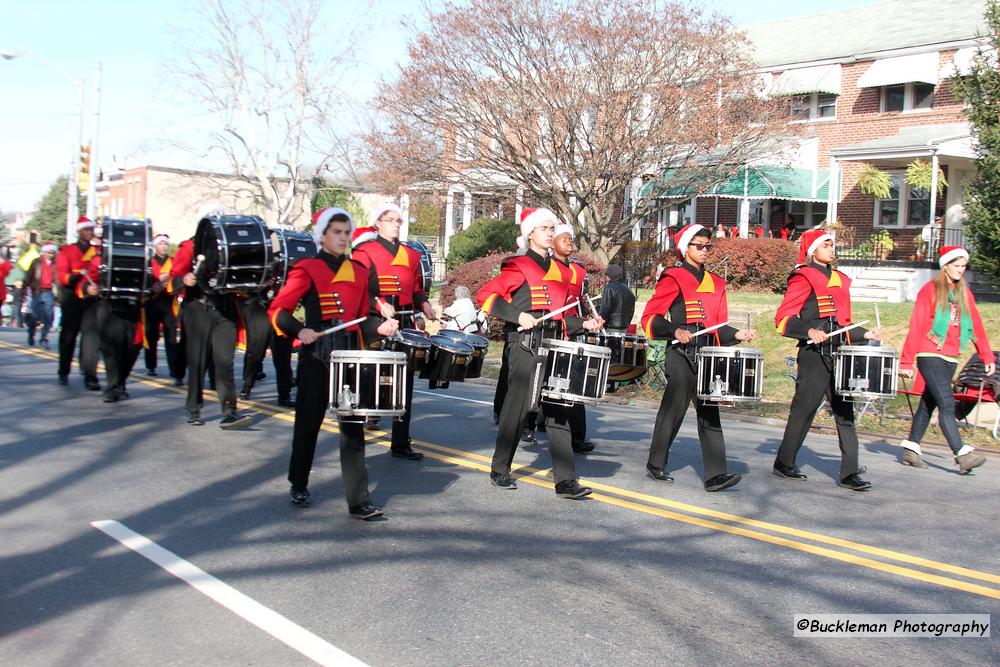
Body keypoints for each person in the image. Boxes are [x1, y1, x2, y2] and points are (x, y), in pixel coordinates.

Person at [268, 207, 398, 519]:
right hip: (316, 358)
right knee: (307, 426)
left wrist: (378, 326)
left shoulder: (359, 270)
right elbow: (279, 310)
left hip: (350, 358)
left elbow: (363, 317)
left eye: (346, 232)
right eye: (336, 232)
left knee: (353, 430)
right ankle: (298, 482)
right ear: (323, 235)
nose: (342, 237)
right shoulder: (308, 268)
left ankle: (358, 500)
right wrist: (300, 330)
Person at [477, 207, 601, 499]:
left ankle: (565, 481)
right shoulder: (517, 265)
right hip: (525, 345)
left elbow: (559, 316)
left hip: (554, 344)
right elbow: (486, 296)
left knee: (559, 411)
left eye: (552, 228)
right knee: (517, 410)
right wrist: (517, 316)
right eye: (545, 228)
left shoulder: (560, 270)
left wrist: (585, 322)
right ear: (530, 233)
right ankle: (500, 468)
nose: (551, 233)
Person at [639, 224, 751, 491]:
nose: (704, 250)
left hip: (707, 356)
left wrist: (737, 334)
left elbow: (717, 327)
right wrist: (675, 330)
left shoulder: (717, 283)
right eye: (698, 245)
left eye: (707, 246)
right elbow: (650, 319)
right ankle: (656, 463)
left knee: (710, 414)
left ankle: (715, 475)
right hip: (680, 354)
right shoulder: (674, 277)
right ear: (685, 248)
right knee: (673, 410)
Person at [773, 229, 883, 491]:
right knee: (804, 410)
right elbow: (783, 318)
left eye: (833, 245)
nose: (832, 249)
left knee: (845, 412)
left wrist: (865, 333)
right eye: (826, 245)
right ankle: (784, 462)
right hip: (813, 355)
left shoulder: (842, 280)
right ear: (813, 251)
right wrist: (809, 331)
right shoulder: (803, 277)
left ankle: (849, 472)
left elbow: (843, 325)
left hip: (840, 353)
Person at [898, 245, 994, 473]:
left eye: (964, 266)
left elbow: (976, 326)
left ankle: (911, 448)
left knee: (927, 404)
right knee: (947, 404)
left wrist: (986, 355)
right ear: (946, 266)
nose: (961, 270)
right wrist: (906, 361)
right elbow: (917, 325)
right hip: (930, 354)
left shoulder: (964, 293)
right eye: (956, 265)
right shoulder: (930, 290)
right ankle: (962, 454)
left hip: (951, 356)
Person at [352, 203, 436, 459]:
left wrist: (424, 303)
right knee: (370, 375)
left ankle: (400, 442)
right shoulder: (364, 252)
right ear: (377, 223)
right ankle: (363, 423)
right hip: (374, 321)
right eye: (390, 220)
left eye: (399, 220)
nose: (396, 224)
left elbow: (416, 289)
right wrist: (379, 304)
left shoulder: (411, 255)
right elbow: (359, 288)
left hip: (404, 322)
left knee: (405, 381)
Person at [169, 210, 253, 429]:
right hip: (198, 308)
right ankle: (194, 408)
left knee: (225, 362)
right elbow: (173, 278)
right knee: (197, 362)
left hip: (225, 310)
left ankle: (229, 411)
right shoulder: (189, 247)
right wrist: (184, 279)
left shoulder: (231, 247)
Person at [549, 221, 601, 453]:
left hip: (575, 328)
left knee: (575, 383)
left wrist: (592, 319)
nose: (569, 241)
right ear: (552, 243)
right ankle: (531, 425)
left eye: (571, 238)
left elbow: (581, 302)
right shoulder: (546, 267)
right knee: (547, 381)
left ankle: (577, 436)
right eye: (564, 238)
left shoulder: (579, 271)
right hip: (552, 327)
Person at [56, 217, 102, 389]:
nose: (91, 232)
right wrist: (77, 276)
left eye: (92, 229)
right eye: (87, 229)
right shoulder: (67, 251)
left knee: (91, 338)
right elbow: (63, 276)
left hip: (91, 299)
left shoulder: (98, 251)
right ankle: (63, 371)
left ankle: (90, 375)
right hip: (72, 298)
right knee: (69, 336)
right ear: (79, 231)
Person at [143, 234, 184, 384]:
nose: (164, 246)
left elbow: (178, 277)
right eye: (161, 244)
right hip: (152, 303)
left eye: (166, 244)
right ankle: (150, 366)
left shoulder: (172, 261)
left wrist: (171, 285)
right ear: (155, 246)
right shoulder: (149, 262)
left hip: (169, 304)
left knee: (171, 338)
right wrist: (153, 287)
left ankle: (175, 371)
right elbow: (144, 280)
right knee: (151, 335)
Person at [25, 243, 58, 348]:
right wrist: (24, 288)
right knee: (35, 316)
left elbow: (58, 280)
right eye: (49, 252)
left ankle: (44, 338)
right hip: (37, 292)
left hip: (49, 292)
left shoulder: (55, 264)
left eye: (53, 253)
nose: (51, 255)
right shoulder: (36, 262)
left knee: (48, 317)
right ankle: (31, 333)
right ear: (44, 252)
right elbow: (29, 276)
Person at [599, 264, 635, 334]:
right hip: (624, 328)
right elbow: (631, 311)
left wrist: (600, 322)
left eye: (606, 275)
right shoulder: (628, 290)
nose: (605, 277)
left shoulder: (609, 287)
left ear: (610, 275)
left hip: (610, 328)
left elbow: (605, 309)